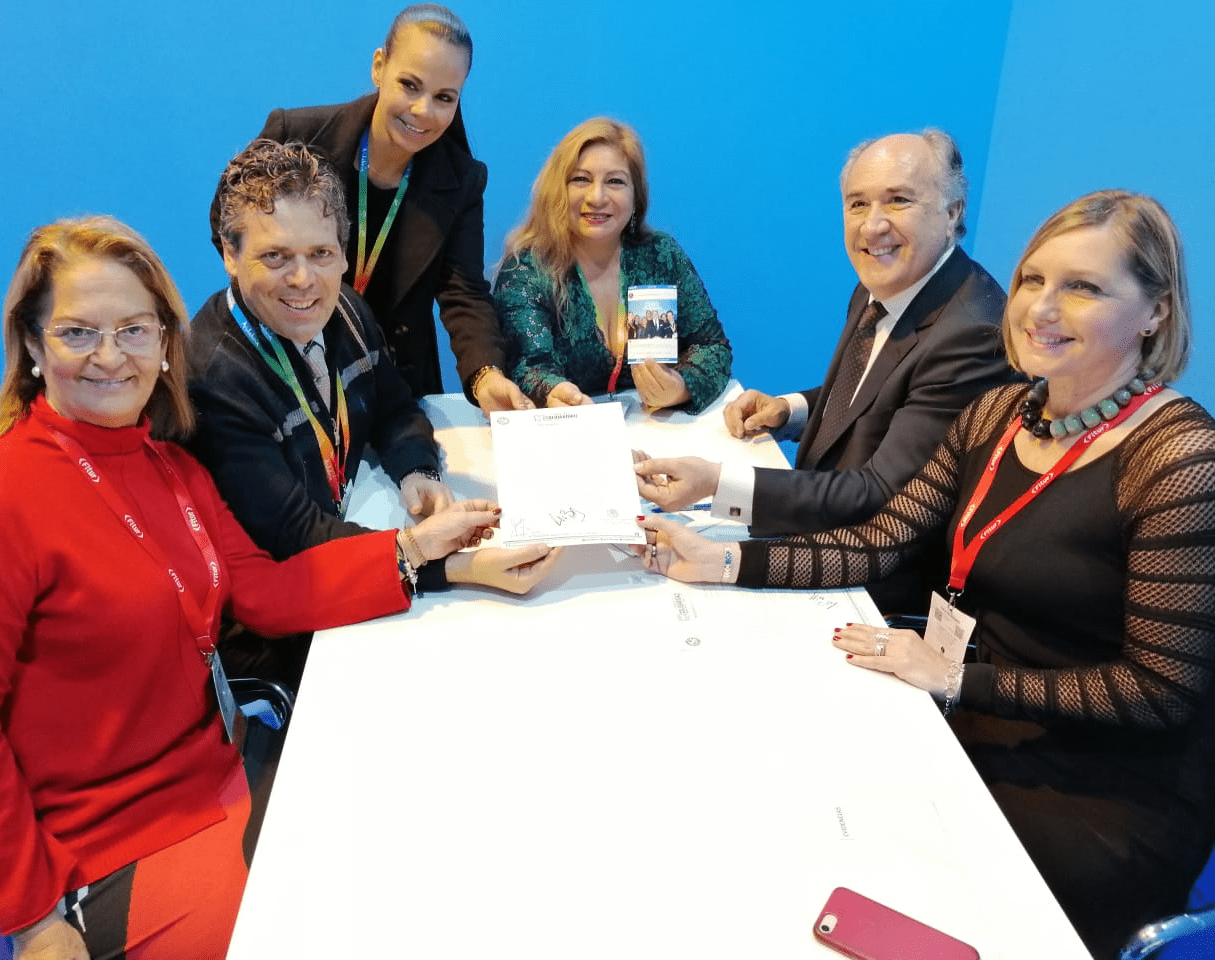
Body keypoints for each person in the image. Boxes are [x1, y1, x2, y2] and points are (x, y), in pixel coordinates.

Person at [637, 191, 1215, 959]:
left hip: (1104, 787)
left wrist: (953, 679)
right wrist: (723, 559)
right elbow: (883, 542)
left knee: (889, 869)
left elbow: (1160, 690)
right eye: (1034, 279)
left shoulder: (1177, 458)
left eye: (1084, 287)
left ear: (1155, 312)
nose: (1042, 307)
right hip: (976, 712)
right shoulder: (1001, 412)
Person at [0, 217, 509, 960]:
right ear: (34, 348)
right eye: (78, 333)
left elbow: (263, 591)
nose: (110, 356)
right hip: (105, 844)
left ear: (163, 342)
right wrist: (34, 923)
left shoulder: (170, 465)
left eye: (134, 330)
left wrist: (417, 550)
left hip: (221, 770)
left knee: (426, 828)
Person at [192, 138, 558, 689]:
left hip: (360, 552)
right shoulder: (215, 380)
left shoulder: (346, 310)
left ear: (343, 253)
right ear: (229, 253)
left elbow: (394, 405)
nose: (303, 280)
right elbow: (293, 537)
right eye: (275, 257)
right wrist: (441, 566)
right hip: (292, 639)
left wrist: (417, 470)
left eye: (321, 254)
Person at [634, 130, 1015, 611]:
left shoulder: (972, 334)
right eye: (857, 204)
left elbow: (880, 495)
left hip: (875, 585)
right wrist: (791, 409)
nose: (872, 226)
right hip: (816, 525)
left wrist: (715, 482)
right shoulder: (889, 279)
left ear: (953, 211)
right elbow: (878, 395)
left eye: (898, 200)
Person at [208, 3, 530, 412]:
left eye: (444, 97)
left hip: (395, 385)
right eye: (410, 85)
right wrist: (280, 301)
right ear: (379, 66)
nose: (423, 111)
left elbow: (463, 291)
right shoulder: (296, 135)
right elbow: (226, 222)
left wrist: (486, 375)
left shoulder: (462, 179)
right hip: (288, 369)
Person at [493, 117, 732, 413]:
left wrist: (679, 387)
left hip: (657, 428)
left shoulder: (661, 255)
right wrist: (555, 392)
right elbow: (529, 366)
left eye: (615, 181)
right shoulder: (526, 269)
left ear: (636, 196)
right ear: (558, 189)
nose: (597, 197)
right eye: (581, 179)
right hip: (568, 429)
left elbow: (711, 347)